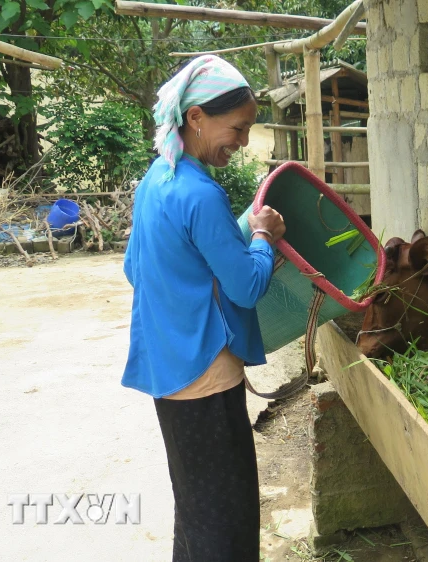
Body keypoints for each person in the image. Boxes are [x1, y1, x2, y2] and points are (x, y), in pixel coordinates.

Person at [121, 55, 285, 561]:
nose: (240, 142)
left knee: (195, 507)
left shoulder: (156, 179)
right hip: (206, 374)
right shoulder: (200, 194)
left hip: (167, 368)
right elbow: (248, 287)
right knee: (227, 519)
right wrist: (263, 237)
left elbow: (134, 267)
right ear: (196, 118)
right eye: (236, 129)